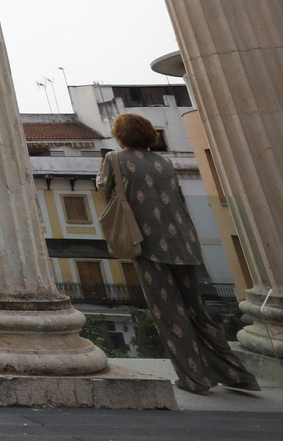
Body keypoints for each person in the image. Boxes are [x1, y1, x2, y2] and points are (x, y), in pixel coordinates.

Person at [97, 112, 258, 396]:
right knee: (196, 311)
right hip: (183, 241)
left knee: (168, 313)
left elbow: (103, 187)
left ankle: (194, 378)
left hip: (148, 243)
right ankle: (237, 374)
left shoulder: (115, 159)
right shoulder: (164, 162)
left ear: (121, 136)